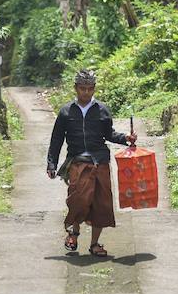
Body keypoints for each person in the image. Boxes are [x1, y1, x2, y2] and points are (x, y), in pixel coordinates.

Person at [46, 69, 137, 256]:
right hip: (78, 161)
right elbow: (56, 139)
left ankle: (95, 244)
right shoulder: (66, 112)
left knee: (101, 203)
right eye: (82, 88)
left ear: (94, 88)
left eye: (89, 89)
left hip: (100, 161)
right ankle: (74, 232)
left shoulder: (102, 110)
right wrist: (51, 164)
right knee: (78, 199)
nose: (86, 92)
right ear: (75, 88)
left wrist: (125, 138)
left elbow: (109, 134)